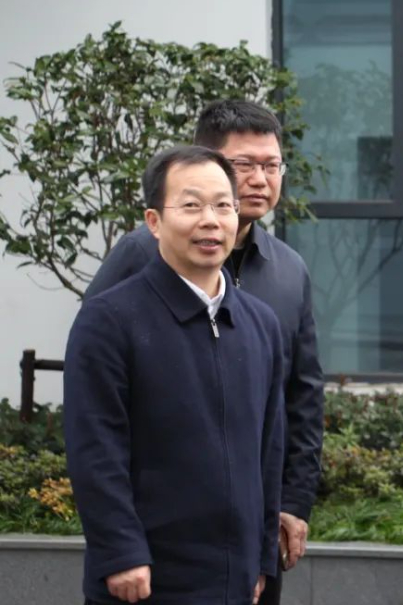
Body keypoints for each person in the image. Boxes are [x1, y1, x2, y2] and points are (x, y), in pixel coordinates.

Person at [85, 100, 324, 605]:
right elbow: (97, 433)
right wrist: (120, 547)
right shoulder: (127, 280)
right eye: (244, 165)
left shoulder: (282, 281)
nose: (259, 179)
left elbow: (295, 406)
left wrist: (287, 509)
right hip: (156, 557)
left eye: (271, 165)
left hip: (244, 554)